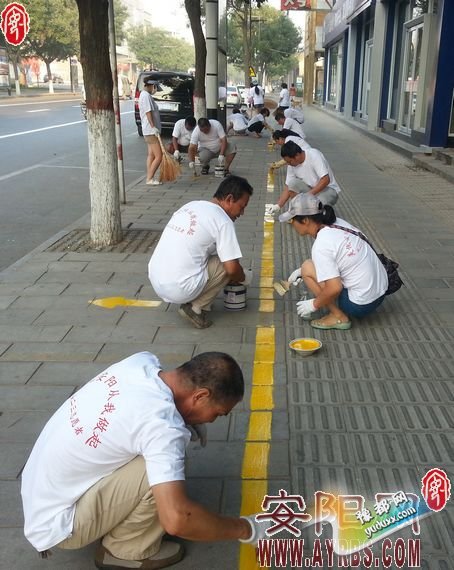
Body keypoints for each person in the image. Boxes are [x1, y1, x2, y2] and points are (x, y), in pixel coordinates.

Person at [21, 351, 268, 569]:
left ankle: (115, 523)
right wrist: (247, 528)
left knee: (161, 461)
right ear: (200, 396)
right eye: (218, 413)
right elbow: (178, 519)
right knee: (161, 471)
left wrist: (184, 420)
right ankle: (124, 551)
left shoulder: (141, 362)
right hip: (59, 524)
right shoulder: (162, 428)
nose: (212, 420)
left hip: (41, 493)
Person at [148, 175, 253, 329]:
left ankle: (193, 294)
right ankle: (195, 307)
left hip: (156, 279)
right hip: (179, 288)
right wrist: (244, 278)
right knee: (228, 265)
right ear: (229, 199)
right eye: (242, 207)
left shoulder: (191, 205)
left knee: (218, 255)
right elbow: (231, 269)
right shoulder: (223, 221)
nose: (242, 213)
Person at [280, 193, 388, 330]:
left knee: (307, 267)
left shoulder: (321, 245)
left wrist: (314, 304)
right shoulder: (337, 223)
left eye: (292, 220)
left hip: (360, 305)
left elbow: (335, 288)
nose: (292, 225)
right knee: (308, 268)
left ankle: (338, 317)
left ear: (305, 220)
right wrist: (301, 271)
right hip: (381, 291)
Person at [266, 138, 338, 217]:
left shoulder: (314, 155)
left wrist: (308, 196)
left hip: (328, 190)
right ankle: (297, 211)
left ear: (297, 155)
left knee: (315, 206)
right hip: (311, 189)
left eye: (290, 161)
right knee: (293, 183)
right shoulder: (292, 164)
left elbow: (326, 180)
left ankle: (314, 212)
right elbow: (288, 186)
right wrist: (278, 205)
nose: (288, 164)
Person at [139, 77, 163, 186]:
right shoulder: (146, 96)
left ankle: (150, 176)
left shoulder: (144, 95)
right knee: (159, 156)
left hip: (148, 130)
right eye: (155, 87)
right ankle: (149, 178)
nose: (155, 90)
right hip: (150, 131)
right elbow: (148, 112)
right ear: (152, 86)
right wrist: (153, 127)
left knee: (151, 155)